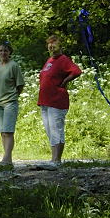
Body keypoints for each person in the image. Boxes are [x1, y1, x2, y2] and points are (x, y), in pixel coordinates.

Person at [38, 35, 82, 167]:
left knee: (56, 129)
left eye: (54, 44)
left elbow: (76, 71)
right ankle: (53, 159)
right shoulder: (50, 60)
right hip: (45, 100)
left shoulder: (63, 59)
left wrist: (65, 81)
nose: (51, 46)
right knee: (49, 130)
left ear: (60, 46)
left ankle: (57, 160)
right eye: (49, 44)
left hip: (57, 101)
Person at [0, 42, 24, 166]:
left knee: (8, 131)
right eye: (1, 51)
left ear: (10, 52)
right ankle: (6, 158)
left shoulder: (14, 66)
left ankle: (7, 158)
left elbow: (20, 84)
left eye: (5, 51)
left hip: (10, 102)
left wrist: (14, 96)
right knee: (2, 132)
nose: (3, 53)